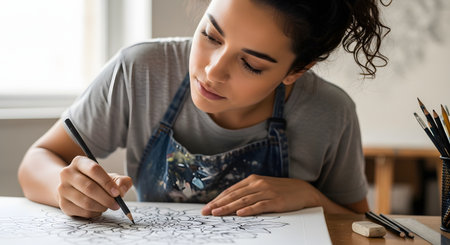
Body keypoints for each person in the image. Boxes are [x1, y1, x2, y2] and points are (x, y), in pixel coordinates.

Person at [18, 0, 390, 219]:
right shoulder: (140, 71)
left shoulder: (330, 112)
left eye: (251, 65)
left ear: (296, 71)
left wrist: (311, 199)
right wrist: (63, 187)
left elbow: (360, 223)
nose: (212, 72)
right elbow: (38, 160)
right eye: (210, 36)